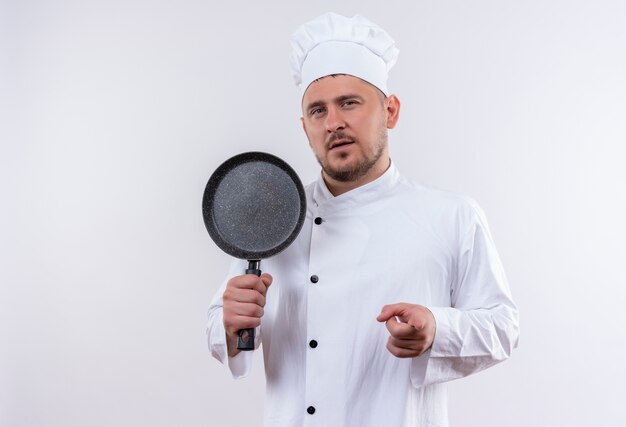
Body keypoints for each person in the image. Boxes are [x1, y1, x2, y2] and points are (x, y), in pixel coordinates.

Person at [207, 12, 519, 427]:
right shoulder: (277, 213)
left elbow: (503, 327)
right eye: (317, 111)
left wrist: (437, 328)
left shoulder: (452, 215)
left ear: (390, 110)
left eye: (349, 103)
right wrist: (228, 323)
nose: (333, 122)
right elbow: (223, 321)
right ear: (305, 128)